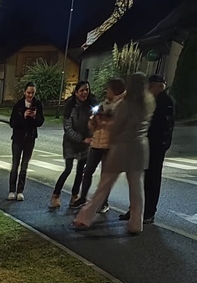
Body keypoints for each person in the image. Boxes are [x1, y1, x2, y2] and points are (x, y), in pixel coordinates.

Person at [73, 71, 154, 235]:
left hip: (122, 147)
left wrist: (104, 123)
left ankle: (85, 217)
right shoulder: (148, 102)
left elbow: (117, 128)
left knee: (104, 184)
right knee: (137, 188)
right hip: (140, 148)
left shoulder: (126, 104)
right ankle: (136, 224)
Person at [118, 73, 176, 225]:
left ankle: (149, 212)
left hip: (156, 147)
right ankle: (135, 211)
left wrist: (162, 145)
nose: (148, 90)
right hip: (144, 145)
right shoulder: (149, 100)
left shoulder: (166, 102)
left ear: (159, 86)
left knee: (152, 180)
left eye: (150, 86)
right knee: (139, 180)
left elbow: (163, 126)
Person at [70, 77, 126, 213]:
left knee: (105, 176)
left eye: (109, 89)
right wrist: (94, 120)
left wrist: (107, 121)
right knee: (87, 171)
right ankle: (83, 197)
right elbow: (92, 126)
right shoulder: (102, 104)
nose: (106, 91)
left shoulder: (123, 106)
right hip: (96, 144)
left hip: (110, 146)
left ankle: (103, 202)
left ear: (114, 90)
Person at [49, 80, 95, 209]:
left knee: (80, 171)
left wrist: (91, 134)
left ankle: (75, 196)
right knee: (68, 169)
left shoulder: (91, 106)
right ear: (76, 93)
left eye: (87, 90)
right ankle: (55, 195)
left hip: (85, 144)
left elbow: (95, 123)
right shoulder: (71, 108)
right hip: (71, 143)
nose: (85, 93)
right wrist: (81, 139)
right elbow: (68, 128)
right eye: (82, 90)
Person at [7, 82, 45, 201]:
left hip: (30, 139)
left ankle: (20, 191)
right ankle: (12, 190)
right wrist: (23, 116)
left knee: (24, 166)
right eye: (28, 92)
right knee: (15, 165)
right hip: (18, 139)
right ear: (24, 92)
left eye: (32, 93)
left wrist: (35, 117)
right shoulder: (18, 105)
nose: (30, 95)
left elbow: (40, 121)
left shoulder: (38, 104)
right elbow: (12, 123)